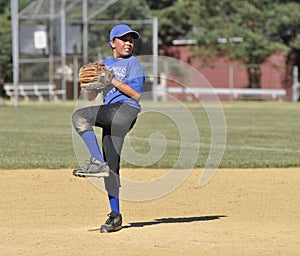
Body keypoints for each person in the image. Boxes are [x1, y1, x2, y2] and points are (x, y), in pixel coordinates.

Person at [72, 24, 146, 233]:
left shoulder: (134, 64)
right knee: (111, 168)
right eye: (123, 39)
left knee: (80, 116)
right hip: (109, 113)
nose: (128, 43)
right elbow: (92, 97)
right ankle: (115, 216)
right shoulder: (104, 65)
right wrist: (89, 86)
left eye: (131, 39)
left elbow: (137, 94)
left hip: (125, 110)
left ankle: (96, 162)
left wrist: (112, 79)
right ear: (112, 43)